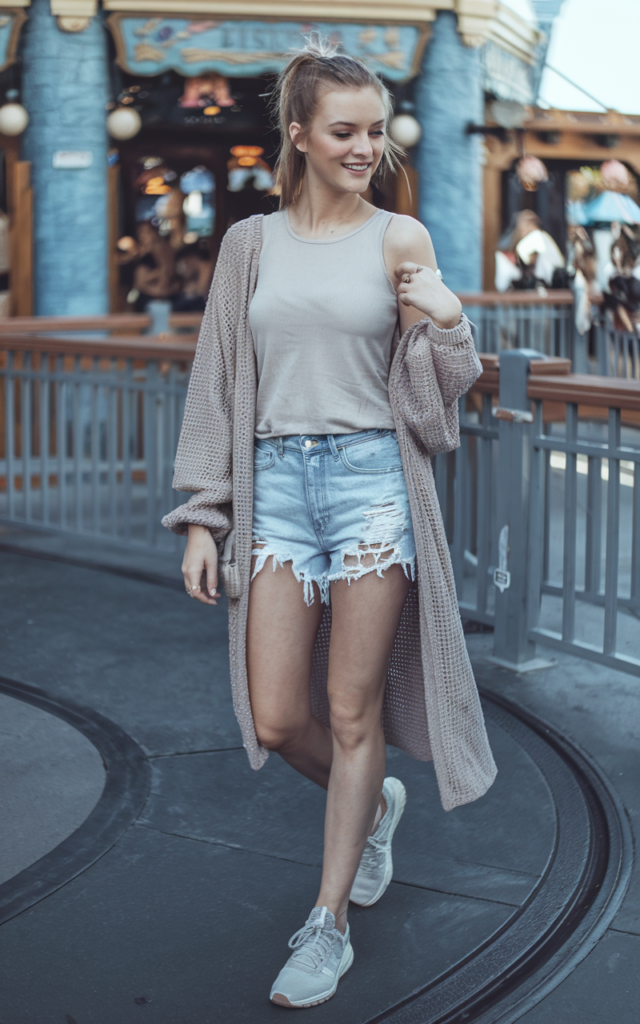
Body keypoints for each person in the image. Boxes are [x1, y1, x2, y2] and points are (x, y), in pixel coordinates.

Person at [163, 39, 496, 1009]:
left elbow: (435, 413)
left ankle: (329, 921)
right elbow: (217, 383)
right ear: (299, 134)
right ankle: (376, 802)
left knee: (352, 714)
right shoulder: (248, 244)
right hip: (272, 488)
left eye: (374, 132)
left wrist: (447, 323)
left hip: (369, 488)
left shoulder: (399, 238)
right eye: (343, 132)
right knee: (274, 716)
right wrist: (201, 517)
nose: (363, 149)